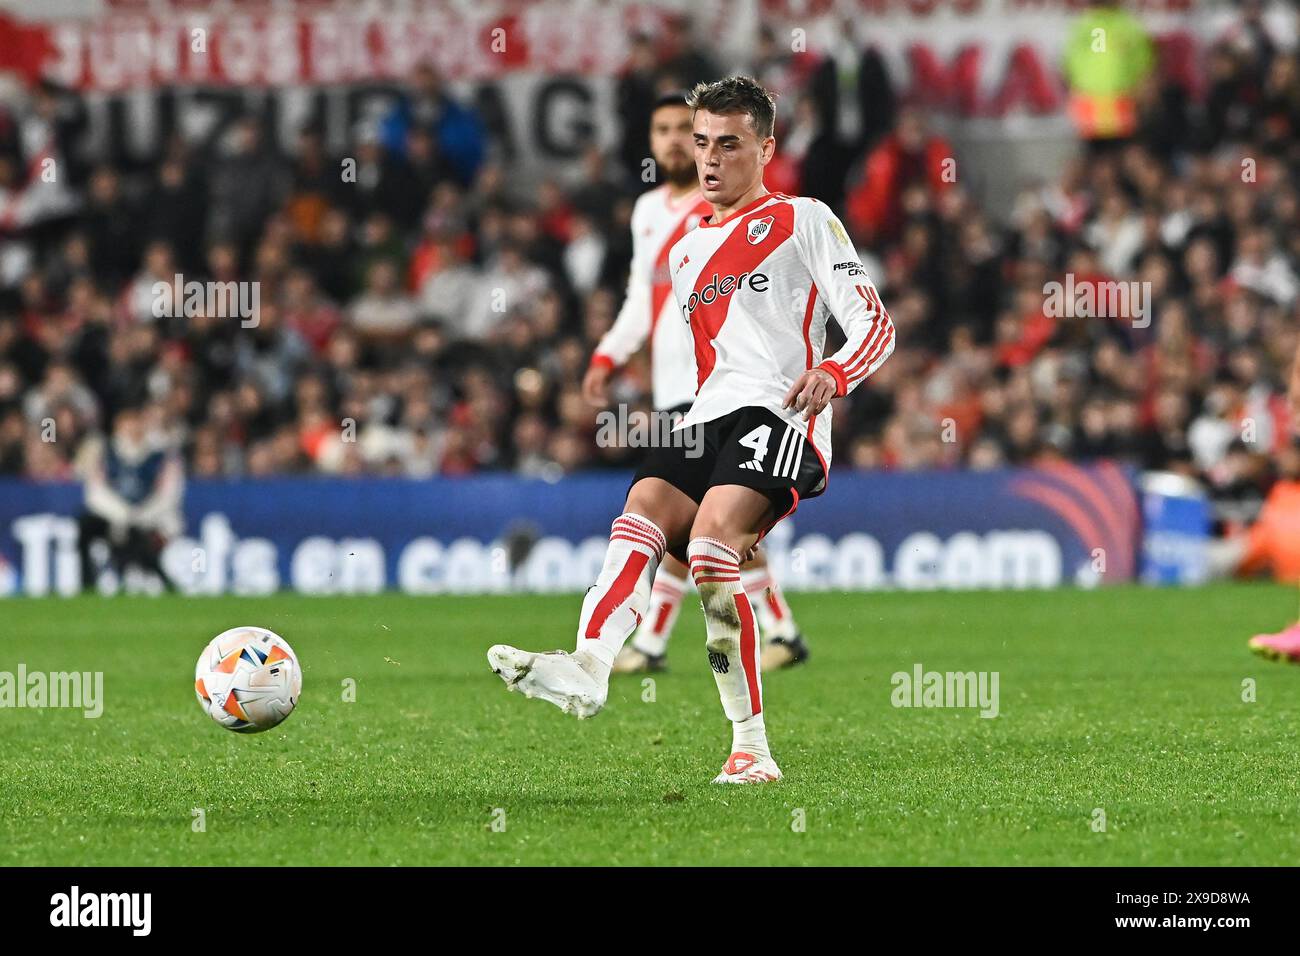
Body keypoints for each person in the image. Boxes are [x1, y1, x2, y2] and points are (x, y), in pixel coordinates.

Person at [489, 76, 895, 784]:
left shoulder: (804, 218)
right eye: (701, 143)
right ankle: (589, 665)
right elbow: (711, 356)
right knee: (640, 513)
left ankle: (751, 748)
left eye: (729, 145)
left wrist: (834, 373)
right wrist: (615, 361)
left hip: (782, 411)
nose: (709, 159)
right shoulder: (684, 250)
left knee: (711, 550)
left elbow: (875, 322)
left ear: (766, 149)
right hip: (705, 413)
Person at [582, 90, 810, 675]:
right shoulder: (649, 213)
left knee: (700, 524)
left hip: (718, 388)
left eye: (689, 130)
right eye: (664, 131)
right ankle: (780, 628)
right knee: (701, 526)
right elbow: (641, 298)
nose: (677, 142)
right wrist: (608, 355)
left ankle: (655, 641)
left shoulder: (725, 212)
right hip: (675, 386)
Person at [75, 399, 184, 592]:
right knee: (85, 526)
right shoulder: (104, 453)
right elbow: (95, 494)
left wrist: (139, 516)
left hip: (150, 519)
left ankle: (156, 579)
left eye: (135, 421)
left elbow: (168, 496)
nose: (131, 428)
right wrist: (123, 515)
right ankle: (87, 583)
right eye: (126, 423)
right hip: (114, 517)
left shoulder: (161, 455)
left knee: (137, 538)